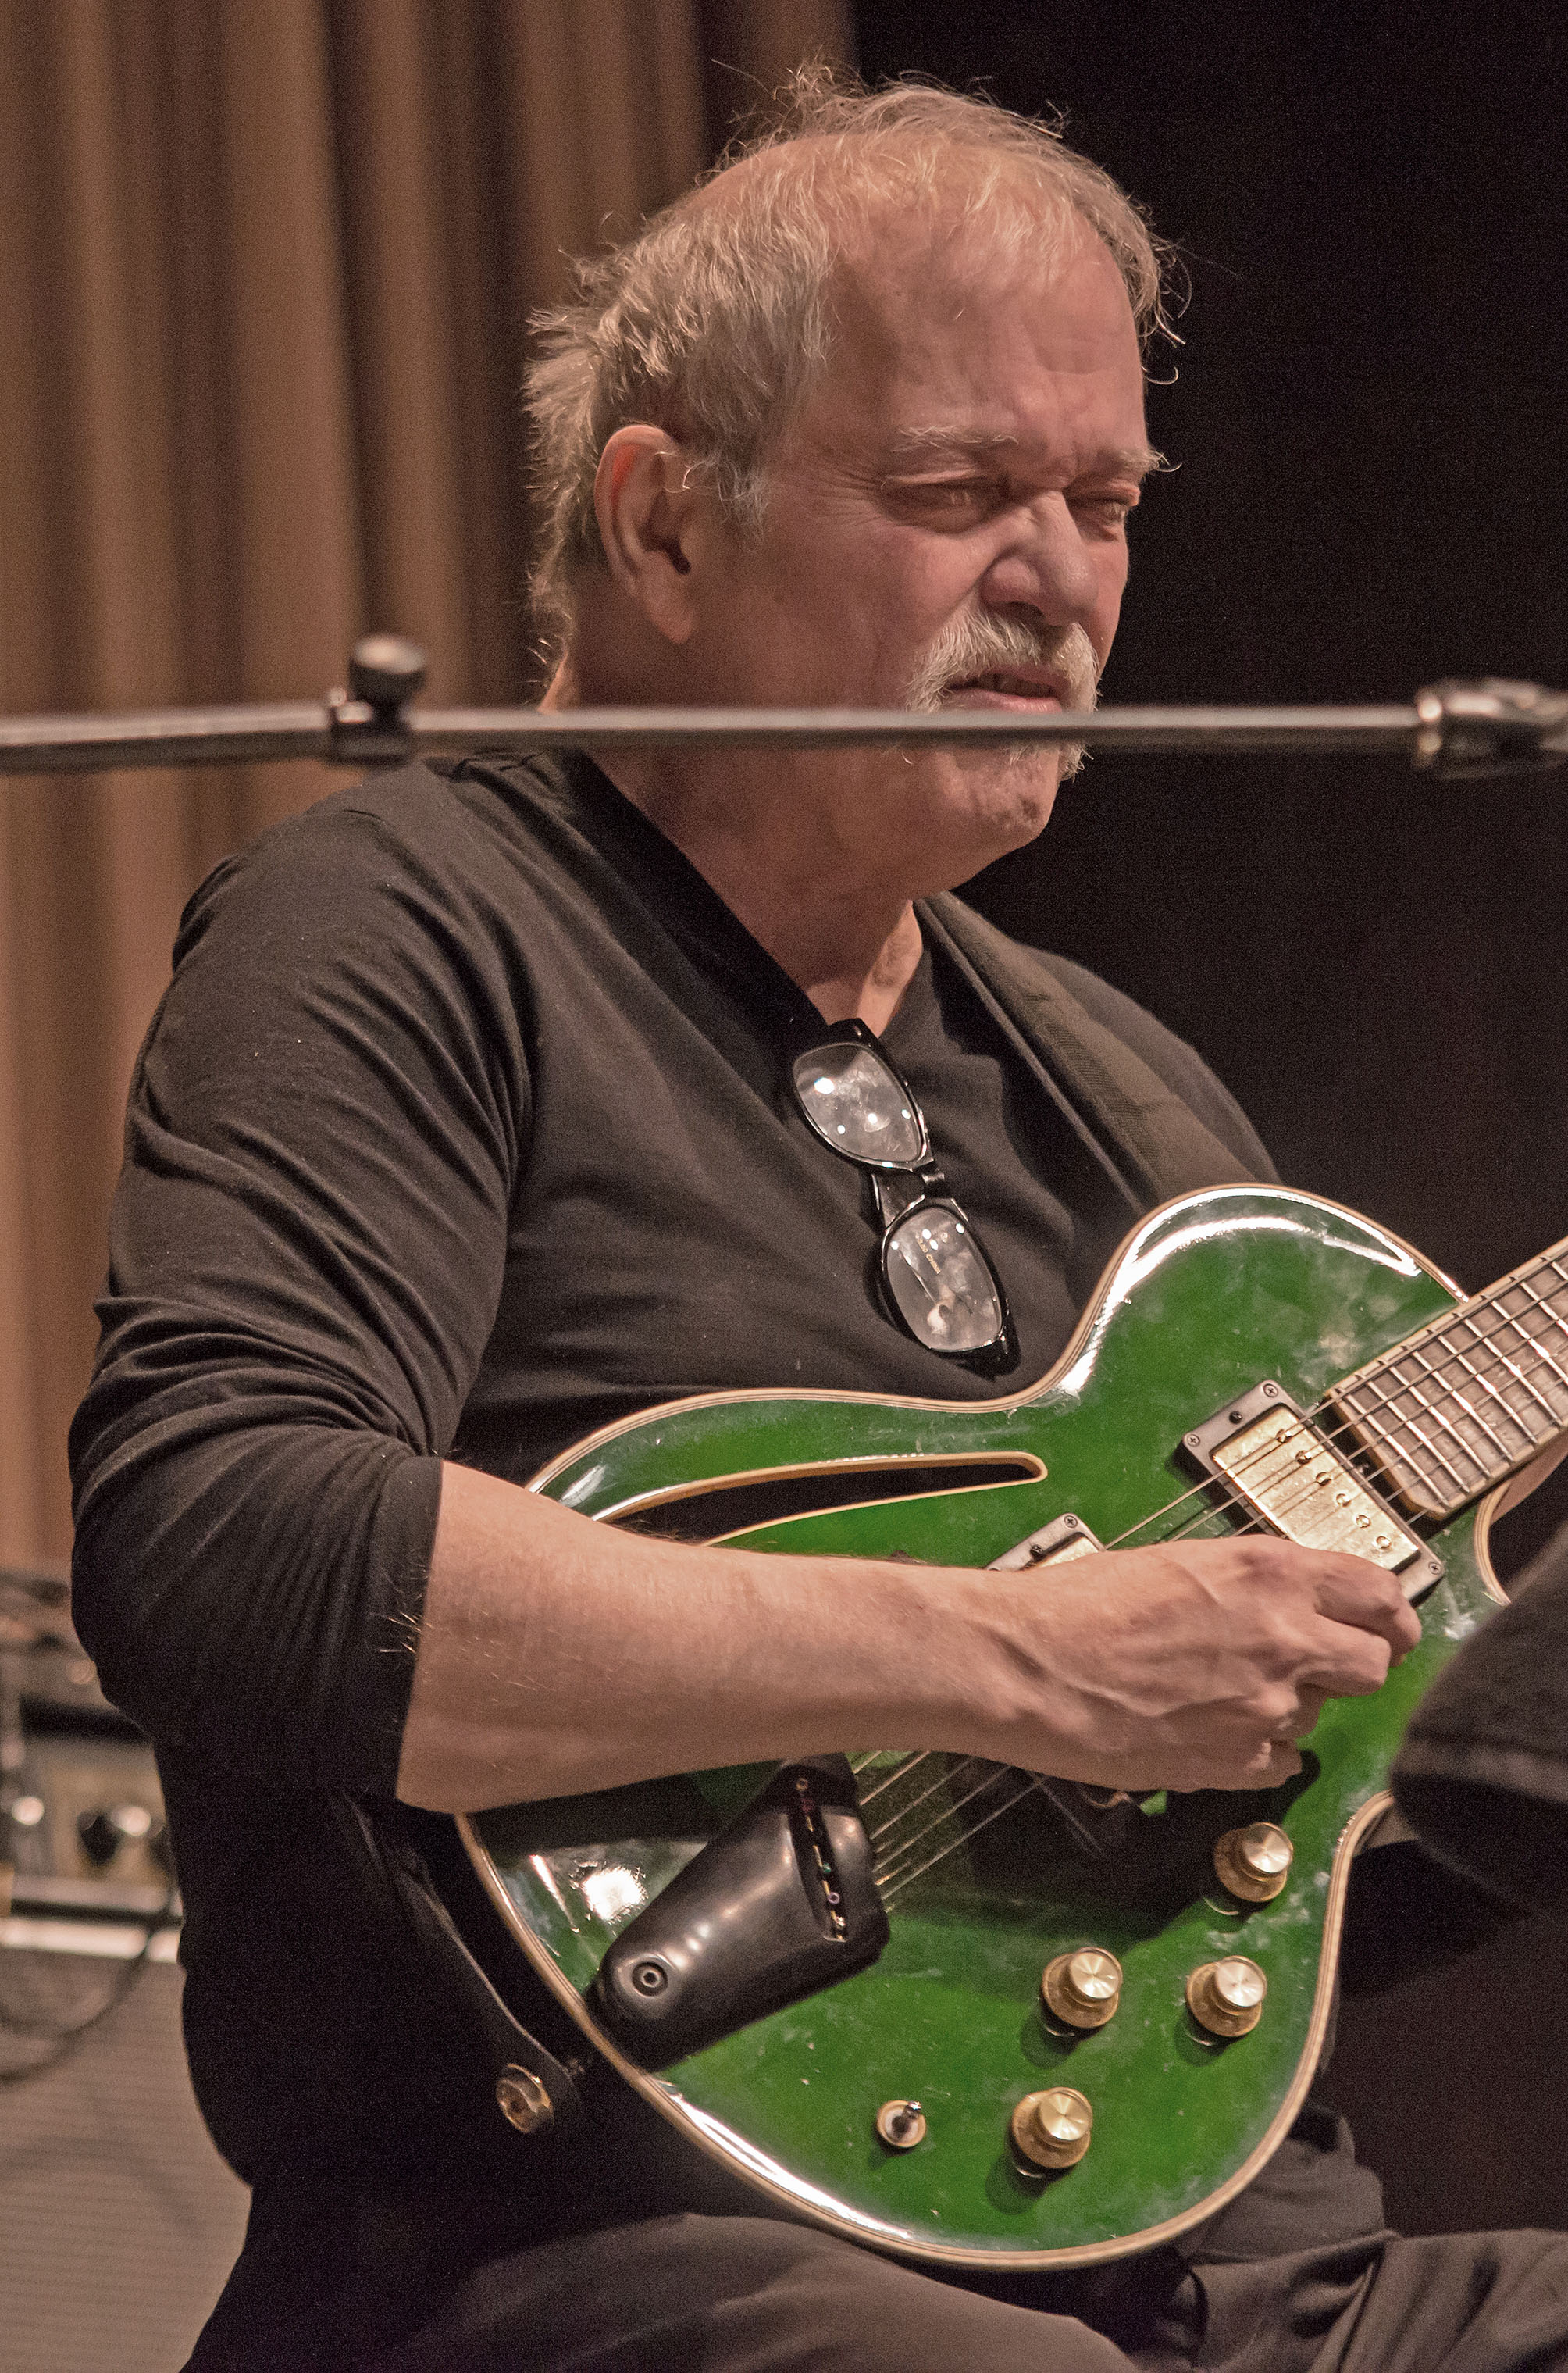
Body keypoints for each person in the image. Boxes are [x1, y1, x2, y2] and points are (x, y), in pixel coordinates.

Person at [67, 73, 1568, 2373]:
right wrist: (1016, 1663)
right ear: (666, 527)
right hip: (581, 2248)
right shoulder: (400, 928)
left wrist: (1440, 1734)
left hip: (1234, 2271)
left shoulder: (1132, 1090)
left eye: (1104, 503)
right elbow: (226, 1543)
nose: (1060, 580)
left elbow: (1287, 1858)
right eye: (961, 492)